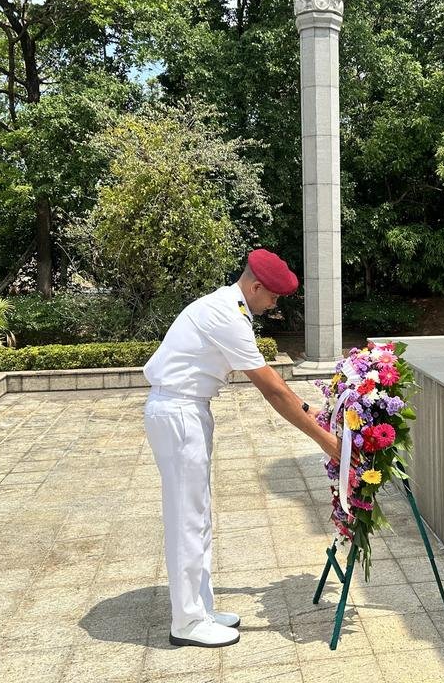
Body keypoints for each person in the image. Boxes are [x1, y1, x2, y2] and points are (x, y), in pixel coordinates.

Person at [142, 249, 341, 648]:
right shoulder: (227, 316)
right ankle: (187, 622)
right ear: (255, 286)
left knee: (197, 516)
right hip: (179, 413)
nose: (275, 303)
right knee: (187, 519)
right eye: (274, 296)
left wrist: (315, 410)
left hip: (187, 410)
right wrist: (328, 443)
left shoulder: (229, 306)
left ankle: (200, 607)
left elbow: (281, 391)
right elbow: (272, 389)